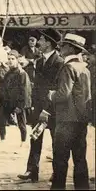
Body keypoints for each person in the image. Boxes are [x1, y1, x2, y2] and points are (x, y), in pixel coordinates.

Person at [18, 29, 64, 183]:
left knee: (56, 141)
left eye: (42, 40)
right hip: (38, 107)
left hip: (52, 109)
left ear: (49, 43)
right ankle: (32, 170)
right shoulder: (39, 60)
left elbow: (56, 88)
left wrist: (46, 109)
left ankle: (58, 173)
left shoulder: (59, 62)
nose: (39, 43)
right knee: (35, 138)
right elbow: (37, 86)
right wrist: (33, 105)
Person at [47, 33, 91, 190]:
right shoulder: (85, 69)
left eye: (63, 45)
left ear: (71, 48)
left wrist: (52, 95)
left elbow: (63, 95)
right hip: (81, 119)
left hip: (66, 120)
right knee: (80, 159)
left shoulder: (68, 68)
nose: (60, 47)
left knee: (60, 158)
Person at [0, 50, 32, 144]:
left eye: (12, 59)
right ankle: (3, 141)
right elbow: (4, 88)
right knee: (1, 121)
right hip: (8, 102)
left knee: (22, 124)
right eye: (8, 59)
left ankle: (23, 142)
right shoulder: (8, 73)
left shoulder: (22, 73)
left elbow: (25, 91)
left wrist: (20, 106)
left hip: (18, 103)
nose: (10, 61)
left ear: (17, 60)